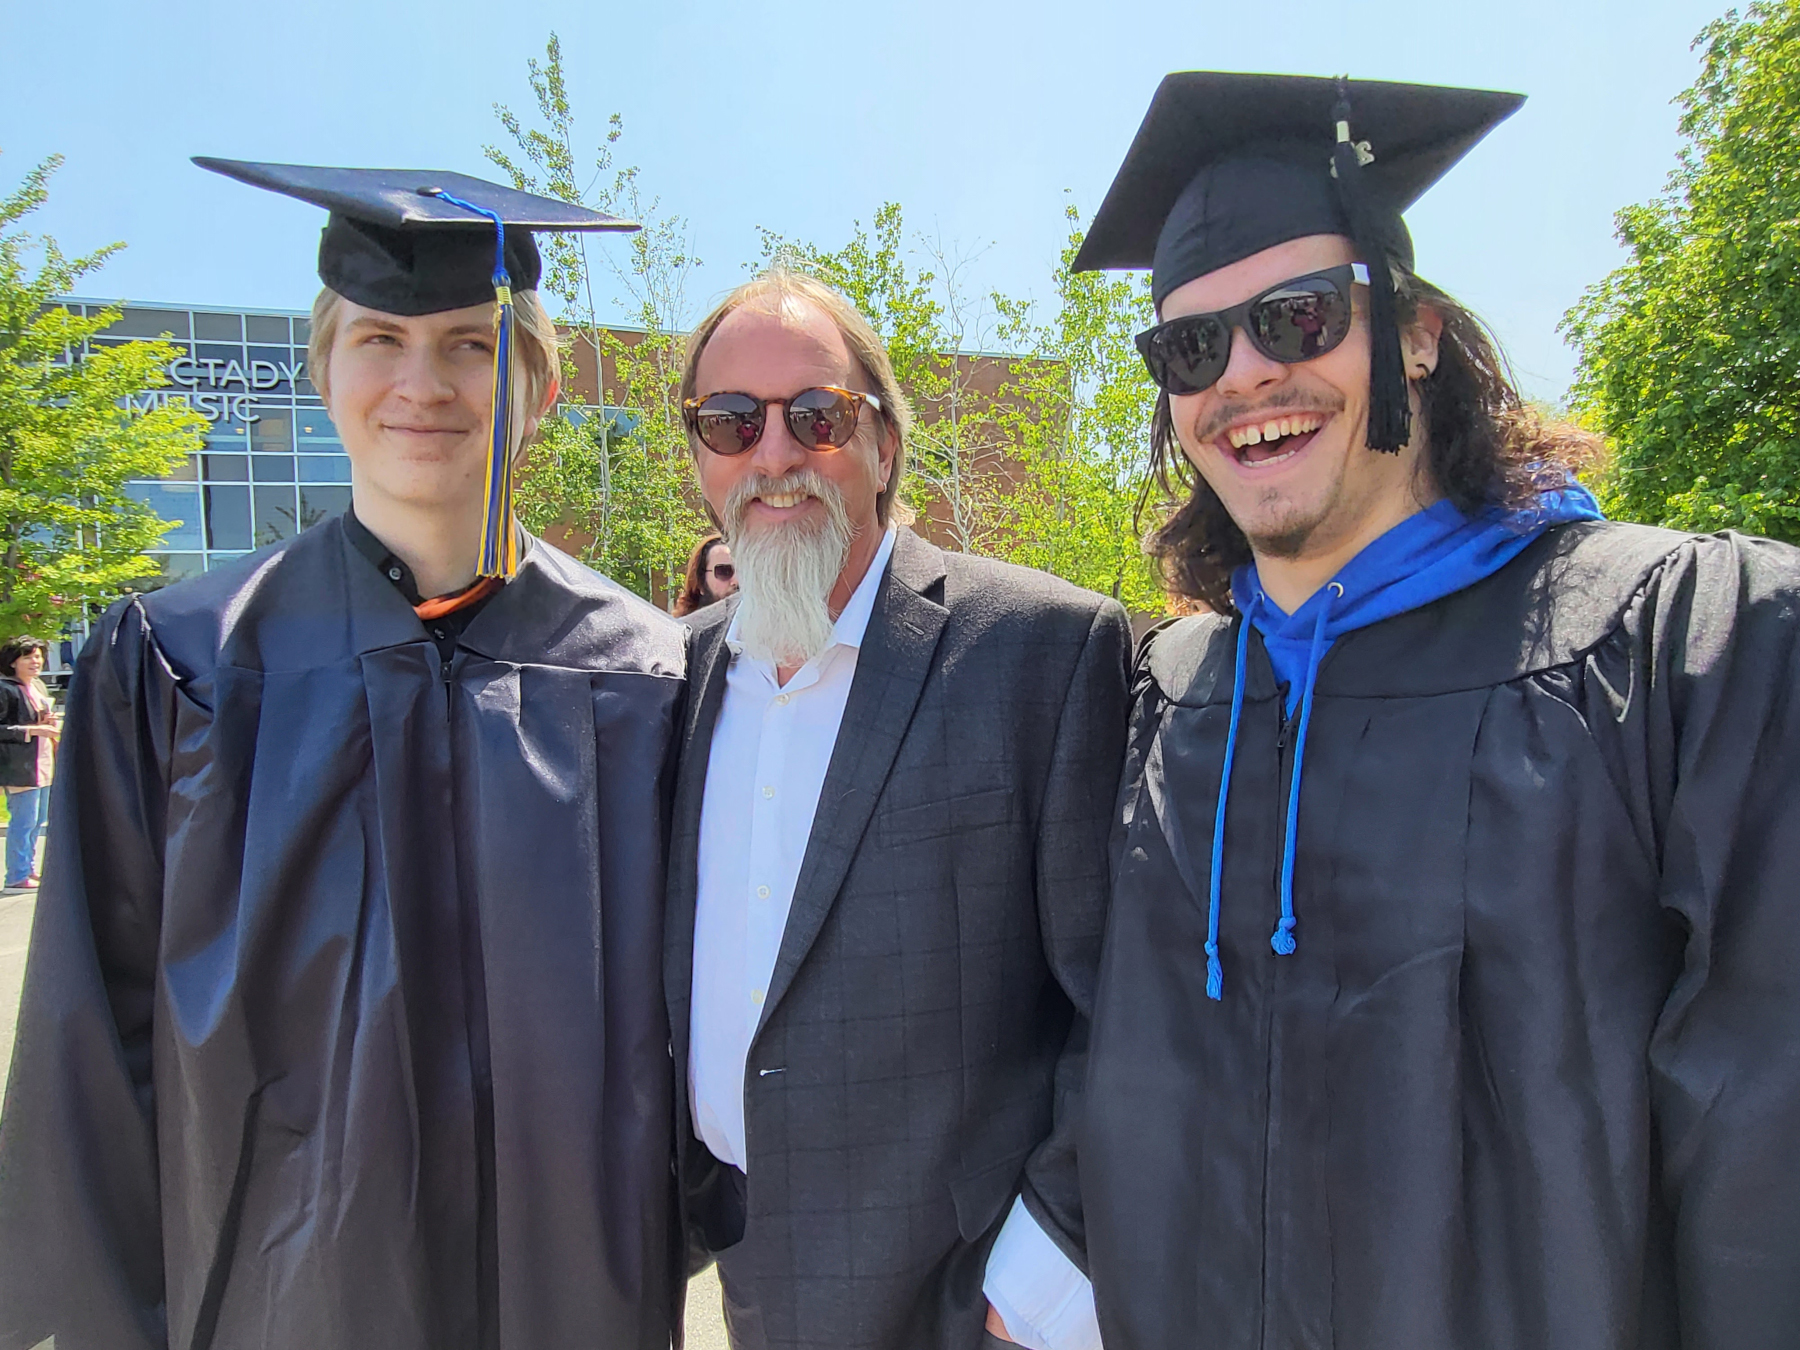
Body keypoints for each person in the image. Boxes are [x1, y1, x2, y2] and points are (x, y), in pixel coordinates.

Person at [1074, 72, 1800, 1349]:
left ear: (1413, 334)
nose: (1244, 376)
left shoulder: (1678, 643)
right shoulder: (1172, 695)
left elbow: (1767, 1140)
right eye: (1191, 347)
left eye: (1296, 317)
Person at [0, 162, 686, 1350]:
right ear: (324, 369)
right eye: (381, 338)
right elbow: (86, 1036)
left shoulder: (646, 672)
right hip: (286, 1298)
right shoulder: (181, 662)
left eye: (473, 346)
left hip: (577, 1293)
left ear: (540, 385)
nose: (423, 383)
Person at [666, 270, 1131, 1350]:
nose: (773, 455)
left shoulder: (1042, 650)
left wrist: (1038, 1282)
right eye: (730, 422)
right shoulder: (671, 677)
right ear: (700, 456)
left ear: (882, 441)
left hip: (972, 1297)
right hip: (755, 1273)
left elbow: (1126, 1007)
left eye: (816, 416)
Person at [0, 636, 60, 890]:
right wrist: (33, 730)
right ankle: (16, 875)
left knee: (37, 820)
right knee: (23, 821)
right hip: (19, 766)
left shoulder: (37, 687)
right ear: (13, 662)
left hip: (42, 762)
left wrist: (47, 721)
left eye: (38, 656)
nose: (36, 662)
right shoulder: (5, 689)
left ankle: (28, 868)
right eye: (28, 657)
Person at [676, 531, 739, 615]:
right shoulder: (682, 627)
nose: (736, 581)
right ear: (701, 582)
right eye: (724, 571)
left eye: (741, 571)